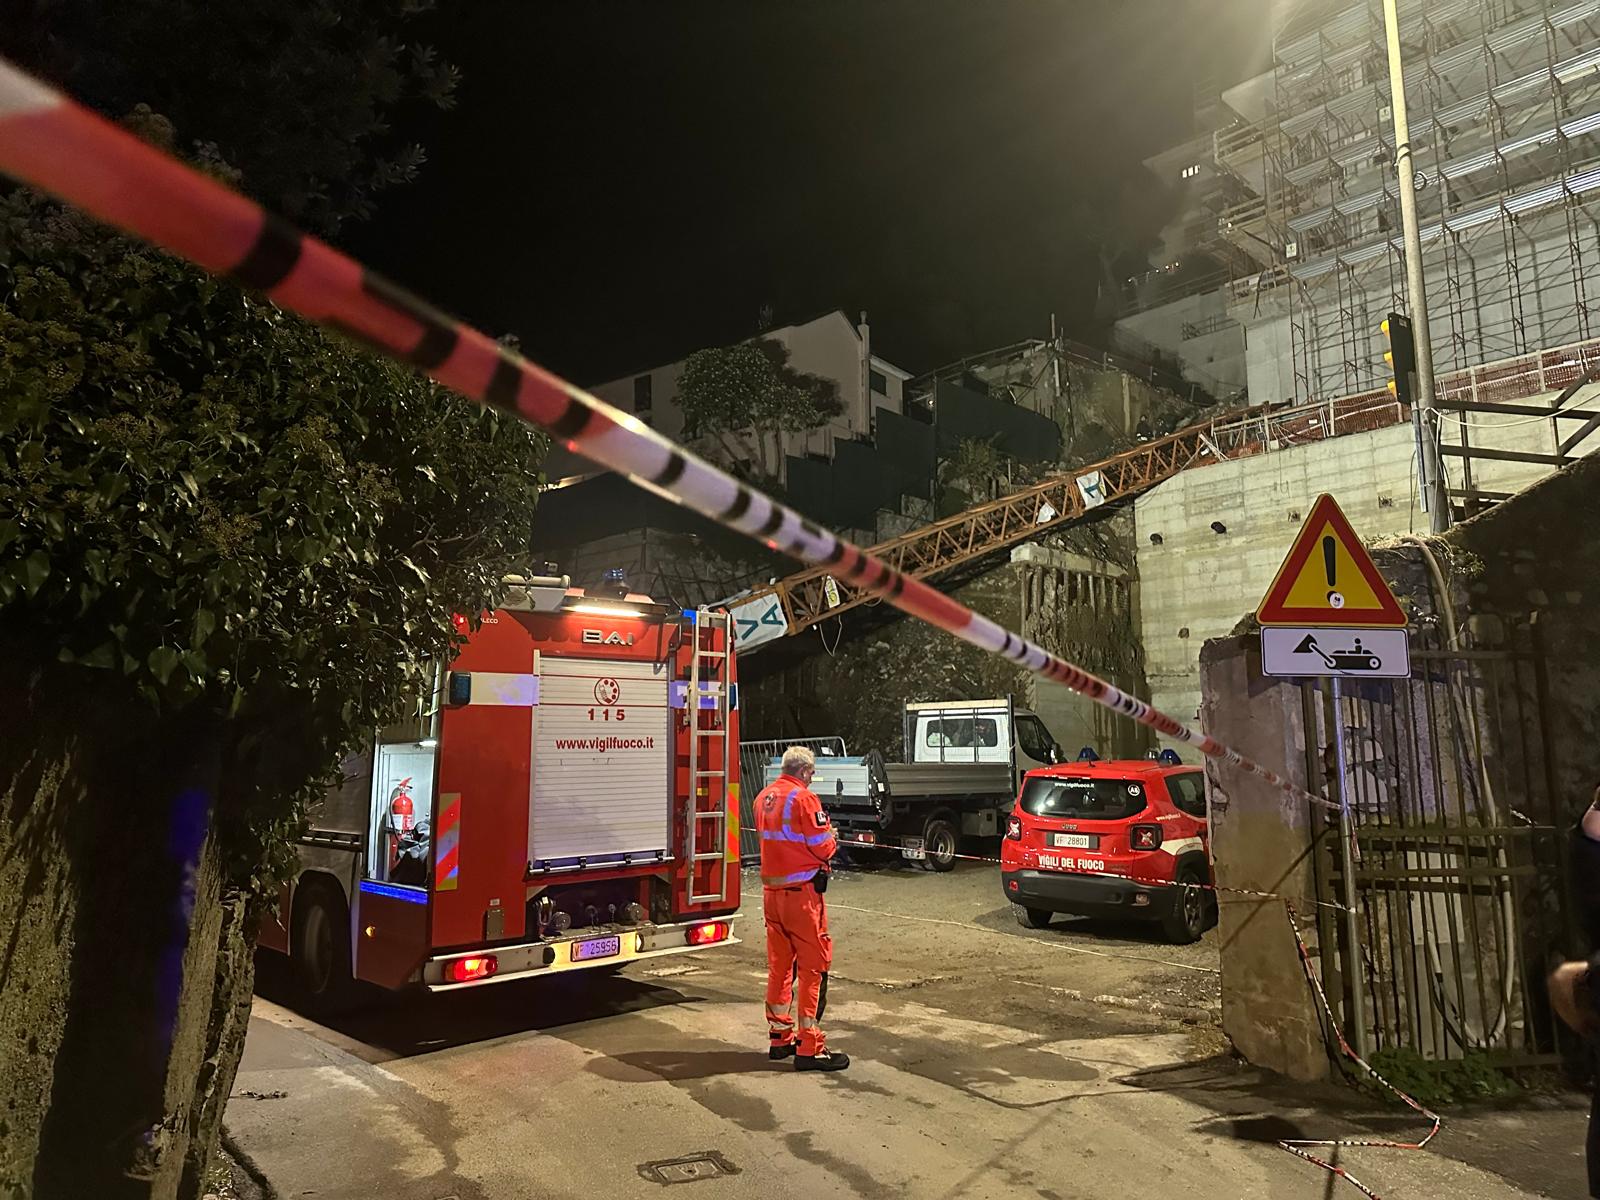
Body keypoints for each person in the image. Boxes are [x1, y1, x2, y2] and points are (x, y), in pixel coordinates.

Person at [755, 745, 848, 1072]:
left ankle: (780, 1038)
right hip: (803, 898)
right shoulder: (804, 799)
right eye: (811, 774)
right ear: (804, 771)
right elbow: (822, 846)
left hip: (771, 895)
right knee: (813, 967)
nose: (812, 779)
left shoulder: (763, 798)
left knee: (780, 967)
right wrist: (833, 837)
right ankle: (810, 1046)